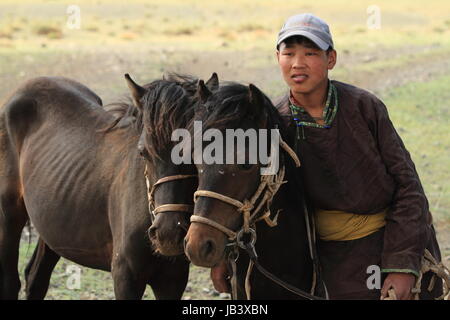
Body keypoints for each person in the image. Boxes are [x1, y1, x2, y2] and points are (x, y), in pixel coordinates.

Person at [211, 13, 445, 300]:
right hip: (323, 254)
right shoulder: (275, 123)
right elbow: (249, 196)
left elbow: (408, 186)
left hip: (384, 240)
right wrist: (224, 254)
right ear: (278, 57)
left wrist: (401, 266)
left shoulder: (364, 107)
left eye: (310, 53)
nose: (298, 63)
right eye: (289, 53)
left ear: (330, 59)